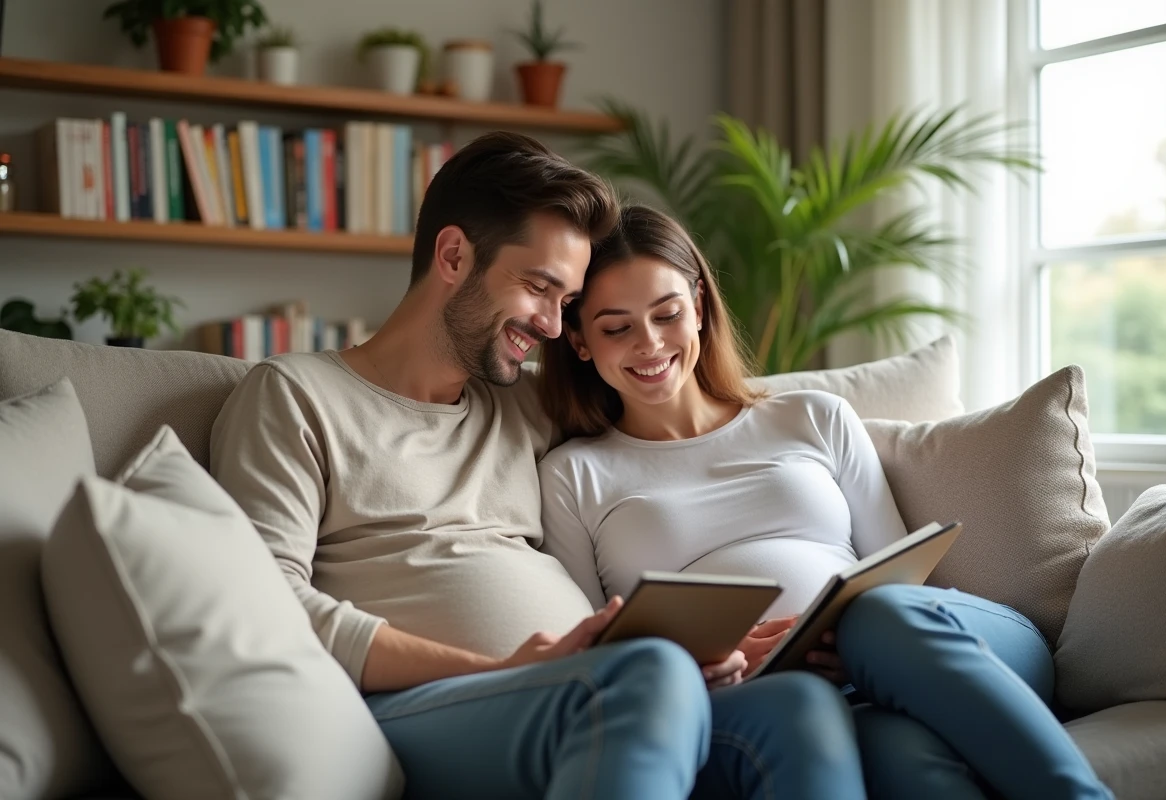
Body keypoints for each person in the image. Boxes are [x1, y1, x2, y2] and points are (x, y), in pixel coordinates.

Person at [209, 132, 855, 800]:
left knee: (795, 709)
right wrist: (506, 668)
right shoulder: (294, 396)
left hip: (591, 689)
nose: (552, 326)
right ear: (455, 255)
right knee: (647, 674)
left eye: (566, 303)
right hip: (420, 708)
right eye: (540, 288)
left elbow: (669, 406)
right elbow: (265, 604)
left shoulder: (524, 406)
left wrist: (710, 643)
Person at [537, 203, 1115, 800]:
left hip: (951, 643)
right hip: (796, 696)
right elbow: (590, 656)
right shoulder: (573, 475)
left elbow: (900, 577)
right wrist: (712, 656)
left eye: (668, 314)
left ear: (701, 308)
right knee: (901, 758)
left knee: (875, 616)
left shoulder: (814, 415)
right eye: (616, 327)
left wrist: (850, 637)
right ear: (578, 339)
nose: (650, 343)